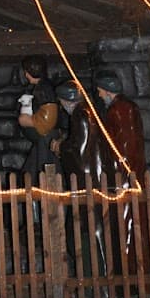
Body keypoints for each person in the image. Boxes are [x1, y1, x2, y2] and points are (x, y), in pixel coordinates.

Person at [51, 80, 110, 279]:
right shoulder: (90, 111)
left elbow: (79, 147)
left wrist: (62, 147)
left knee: (84, 227)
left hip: (85, 177)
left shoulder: (80, 114)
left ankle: (92, 274)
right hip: (95, 174)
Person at [94, 68, 150, 275]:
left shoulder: (120, 110)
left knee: (129, 225)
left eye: (101, 91)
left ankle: (131, 272)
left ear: (108, 91)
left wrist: (120, 170)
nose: (99, 95)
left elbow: (126, 145)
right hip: (127, 176)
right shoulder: (123, 108)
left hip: (126, 178)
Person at [17, 54, 59, 180]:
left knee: (42, 172)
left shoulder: (43, 89)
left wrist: (28, 121)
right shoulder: (42, 87)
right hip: (43, 140)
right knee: (31, 172)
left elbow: (48, 120)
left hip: (45, 139)